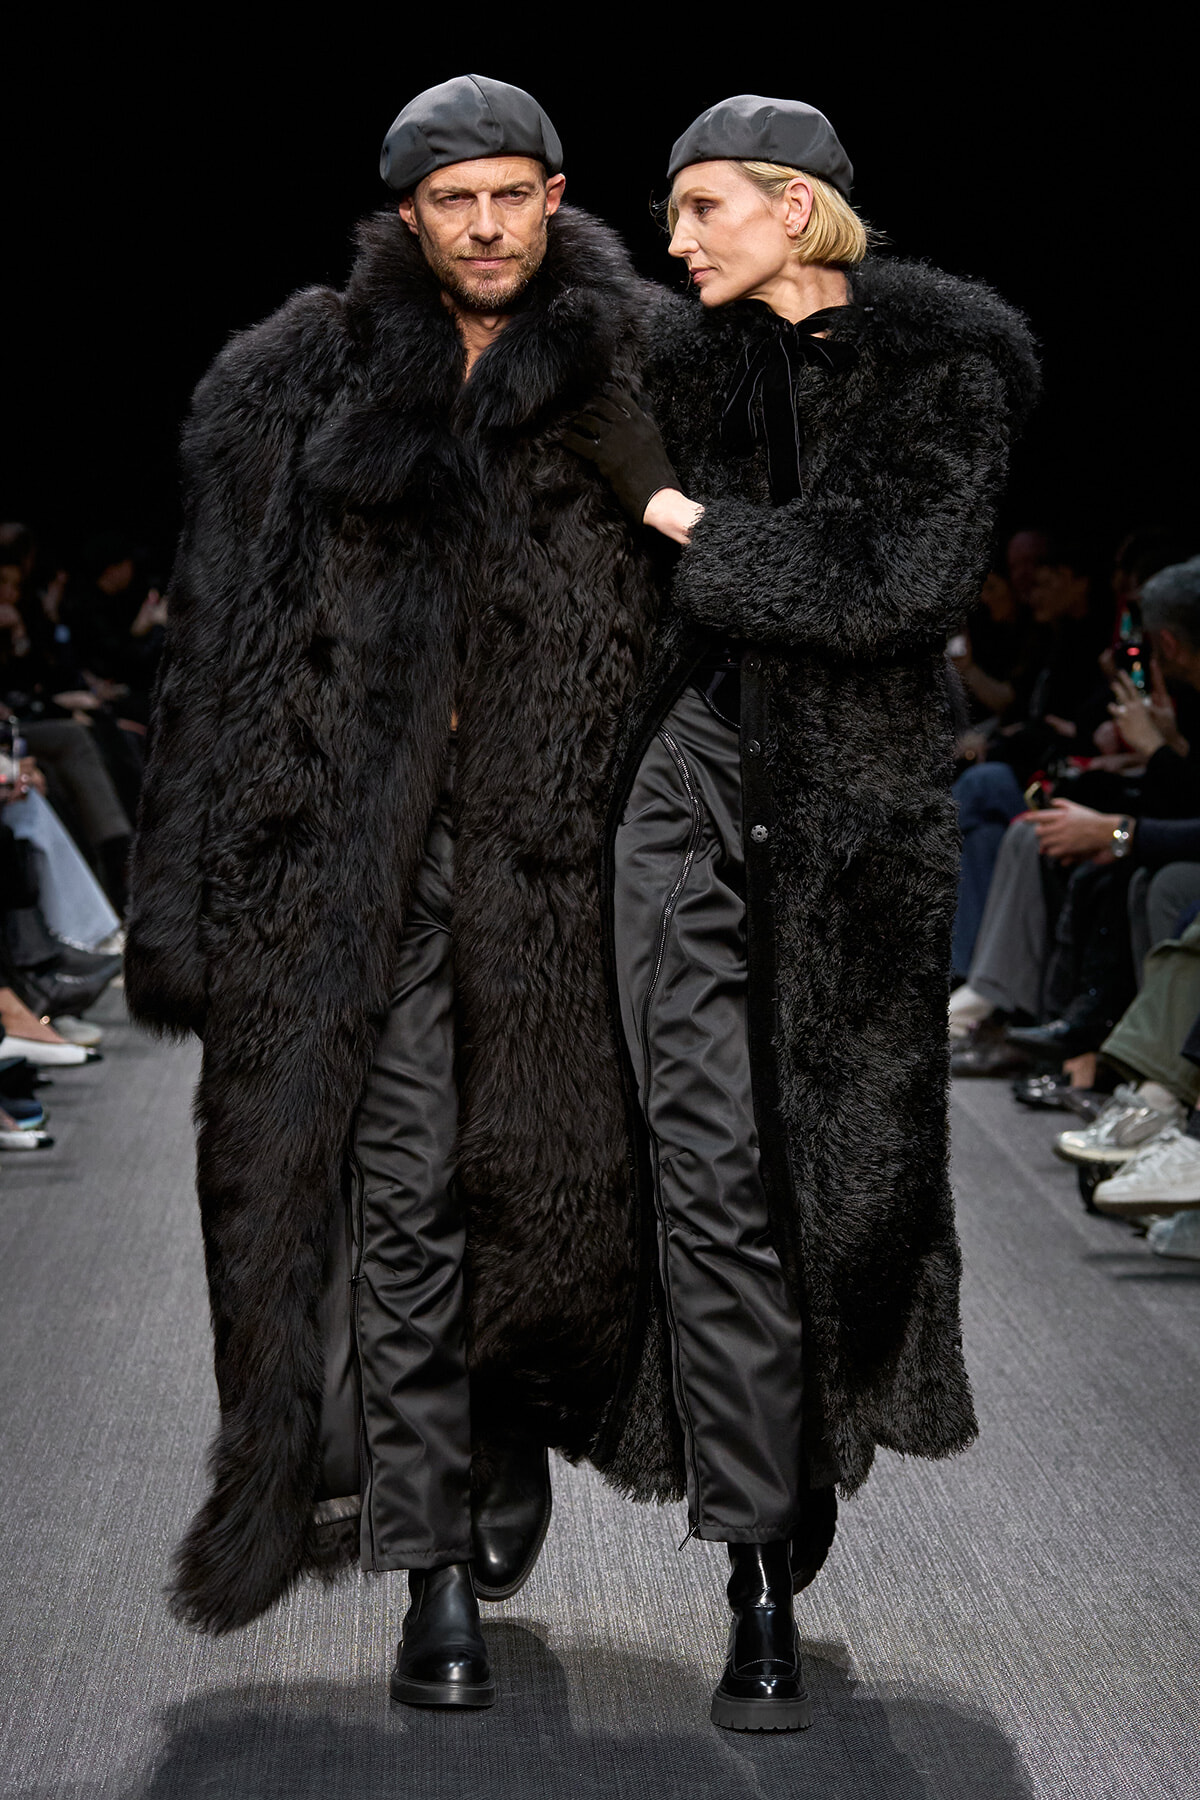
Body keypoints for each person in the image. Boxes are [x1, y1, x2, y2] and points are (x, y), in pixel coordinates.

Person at [124, 76, 664, 1708]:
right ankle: (428, 1560)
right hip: (361, 864)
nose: (488, 226)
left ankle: (504, 1431)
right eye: (454, 201)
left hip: (570, 859)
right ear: (406, 213)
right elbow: (216, 648)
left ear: (556, 193)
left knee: (560, 1192)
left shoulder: (649, 361)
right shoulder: (291, 381)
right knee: (405, 1195)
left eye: (511, 194)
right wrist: (183, 898)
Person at [568, 95, 1039, 1731]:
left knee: (835, 1180)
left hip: (851, 816)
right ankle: (753, 1561)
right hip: (683, 775)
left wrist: (675, 511)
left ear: (798, 208)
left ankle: (806, 1437)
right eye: (670, 212)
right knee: (703, 1161)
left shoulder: (945, 370)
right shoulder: (665, 369)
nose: (676, 239)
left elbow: (886, 587)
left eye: (703, 208)